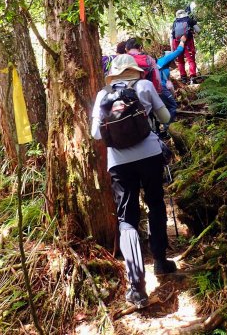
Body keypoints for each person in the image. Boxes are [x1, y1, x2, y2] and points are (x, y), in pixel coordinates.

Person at [91, 54, 177, 308]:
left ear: (114, 74)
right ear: (134, 70)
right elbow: (165, 119)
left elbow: (96, 133)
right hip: (150, 155)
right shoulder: (145, 86)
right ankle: (160, 261)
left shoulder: (102, 95)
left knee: (126, 219)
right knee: (156, 204)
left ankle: (137, 285)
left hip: (119, 162)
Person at [156, 35, 187, 128]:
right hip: (160, 88)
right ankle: (168, 127)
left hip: (157, 88)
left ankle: (163, 128)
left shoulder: (161, 64)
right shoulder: (164, 59)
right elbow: (179, 51)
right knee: (173, 106)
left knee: (163, 107)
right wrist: (182, 41)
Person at [171, 9, 200, 84]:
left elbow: (173, 36)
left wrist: (172, 49)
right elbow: (198, 30)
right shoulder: (189, 20)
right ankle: (193, 77)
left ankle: (183, 78)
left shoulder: (175, 22)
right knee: (191, 60)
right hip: (188, 42)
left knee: (180, 61)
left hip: (177, 43)